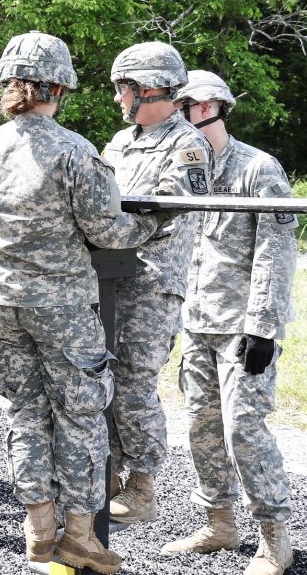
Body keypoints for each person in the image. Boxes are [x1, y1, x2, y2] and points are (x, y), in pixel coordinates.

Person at [0, 31, 167, 574]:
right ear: (59, 87)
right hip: (59, 307)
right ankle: (79, 538)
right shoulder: (74, 151)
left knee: (26, 415)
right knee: (79, 418)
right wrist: (153, 222)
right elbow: (109, 230)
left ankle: (38, 534)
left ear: (10, 85)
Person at [161, 71, 297, 575]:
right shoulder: (187, 168)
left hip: (243, 327)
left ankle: (274, 537)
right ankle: (219, 522)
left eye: (186, 104)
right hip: (197, 322)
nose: (178, 113)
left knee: (245, 430)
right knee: (201, 427)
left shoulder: (258, 169)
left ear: (211, 106)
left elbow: (276, 252)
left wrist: (264, 327)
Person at [102, 41, 213, 524]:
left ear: (146, 89)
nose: (117, 99)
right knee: (98, 378)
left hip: (151, 284)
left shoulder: (186, 144)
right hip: (106, 279)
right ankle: (103, 473)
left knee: (134, 383)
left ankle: (142, 485)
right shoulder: (119, 143)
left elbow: (169, 205)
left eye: (122, 89)